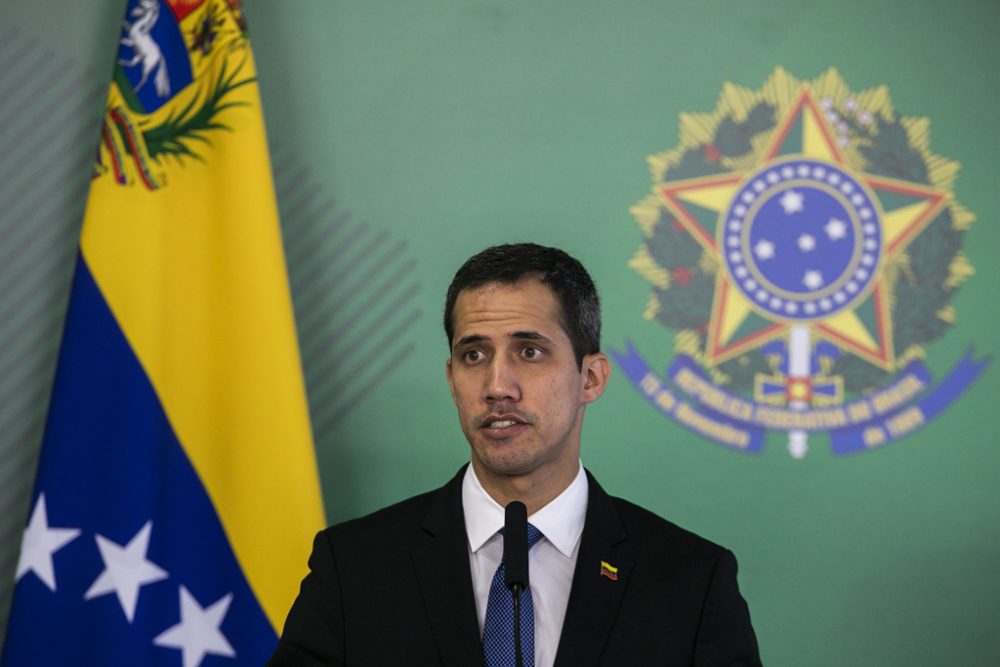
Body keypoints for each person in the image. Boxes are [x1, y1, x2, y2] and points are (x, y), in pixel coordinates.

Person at [267, 243, 761, 666]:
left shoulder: (691, 581)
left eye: (529, 351)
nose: (497, 386)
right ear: (451, 379)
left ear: (590, 378)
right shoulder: (354, 568)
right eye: (474, 355)